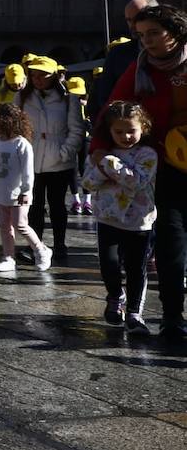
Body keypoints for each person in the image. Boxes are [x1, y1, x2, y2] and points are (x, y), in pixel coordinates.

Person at [95, 4, 187, 340]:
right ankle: (173, 316)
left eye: (153, 33)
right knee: (170, 245)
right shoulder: (138, 70)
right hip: (161, 168)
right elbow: (111, 111)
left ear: (175, 33)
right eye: (141, 34)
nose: (145, 40)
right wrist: (99, 150)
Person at [83, 101, 157, 335]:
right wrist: (106, 167)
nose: (125, 136)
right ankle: (116, 295)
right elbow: (88, 182)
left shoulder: (147, 154)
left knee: (136, 268)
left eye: (131, 131)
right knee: (109, 264)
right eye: (118, 132)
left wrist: (108, 164)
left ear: (143, 128)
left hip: (138, 221)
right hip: (108, 219)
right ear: (109, 131)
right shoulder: (103, 152)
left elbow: (136, 180)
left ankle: (134, 312)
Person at [17, 56, 85, 264]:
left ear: (54, 76)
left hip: (58, 160)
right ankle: (35, 246)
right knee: (34, 205)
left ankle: (60, 244)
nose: (38, 80)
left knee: (57, 206)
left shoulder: (68, 99)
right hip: (32, 158)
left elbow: (77, 130)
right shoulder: (22, 97)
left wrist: (64, 152)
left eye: (43, 75)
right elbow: (16, 126)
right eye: (34, 75)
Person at [0, 103, 50, 272]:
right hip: (1, 193)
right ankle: (8, 257)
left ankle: (41, 250)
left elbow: (28, 171)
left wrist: (26, 191)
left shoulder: (22, 144)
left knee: (20, 224)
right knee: (5, 226)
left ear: (6, 121)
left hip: (18, 194)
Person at [88, 0, 156, 119]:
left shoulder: (177, 51)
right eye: (129, 20)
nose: (133, 25)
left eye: (138, 19)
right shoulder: (118, 54)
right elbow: (105, 97)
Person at [67, 76, 93, 215]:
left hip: (85, 139)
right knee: (72, 168)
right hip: (70, 138)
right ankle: (75, 199)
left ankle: (87, 200)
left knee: (85, 168)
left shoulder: (87, 104)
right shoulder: (65, 104)